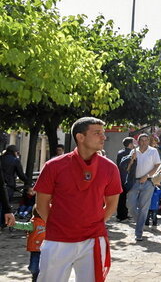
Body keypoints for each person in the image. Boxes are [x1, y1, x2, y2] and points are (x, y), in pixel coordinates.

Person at [34, 117, 123, 282]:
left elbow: (112, 204)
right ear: (80, 137)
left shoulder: (110, 167)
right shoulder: (54, 166)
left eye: (103, 133)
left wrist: (92, 223)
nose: (103, 137)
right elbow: (41, 205)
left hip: (94, 239)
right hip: (58, 239)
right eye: (97, 133)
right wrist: (60, 225)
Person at [123, 133, 161, 241]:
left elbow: (157, 166)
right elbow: (128, 168)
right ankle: (141, 221)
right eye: (142, 140)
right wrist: (131, 159)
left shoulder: (153, 151)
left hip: (148, 182)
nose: (144, 142)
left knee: (144, 208)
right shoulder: (134, 151)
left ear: (148, 141)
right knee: (130, 205)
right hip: (134, 181)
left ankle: (138, 233)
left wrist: (147, 176)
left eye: (146, 140)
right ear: (138, 141)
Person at [12, 208, 46, 281]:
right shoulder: (34, 223)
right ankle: (35, 276)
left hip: (48, 250)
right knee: (34, 268)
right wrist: (13, 223)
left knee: (47, 267)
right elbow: (23, 225)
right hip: (36, 249)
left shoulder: (51, 222)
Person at [115, 137, 135, 222]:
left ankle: (122, 215)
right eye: (133, 143)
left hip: (120, 177)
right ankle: (122, 216)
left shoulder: (120, 152)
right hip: (126, 177)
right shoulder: (129, 153)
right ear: (130, 144)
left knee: (122, 197)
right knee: (124, 198)